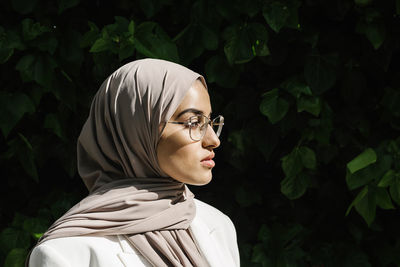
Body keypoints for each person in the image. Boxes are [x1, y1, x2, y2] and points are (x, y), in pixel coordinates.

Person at [27, 58, 240, 267]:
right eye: (193, 123)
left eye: (210, 121)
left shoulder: (217, 225)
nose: (214, 140)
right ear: (135, 130)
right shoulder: (67, 254)